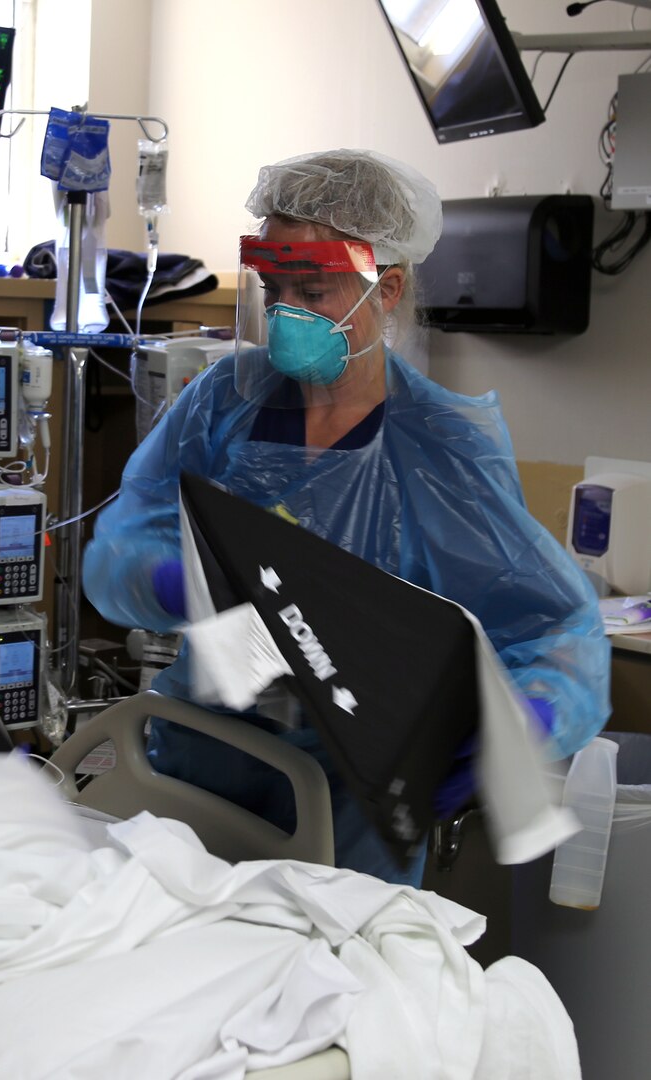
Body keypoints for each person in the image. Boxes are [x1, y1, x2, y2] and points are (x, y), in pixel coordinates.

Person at [84, 148, 609, 886]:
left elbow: (554, 630)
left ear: (385, 289)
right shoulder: (224, 404)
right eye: (274, 288)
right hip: (198, 762)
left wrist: (527, 719)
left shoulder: (438, 451)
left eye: (315, 288)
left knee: (331, 986)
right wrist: (175, 581)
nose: (287, 311)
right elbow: (123, 541)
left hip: (351, 804)